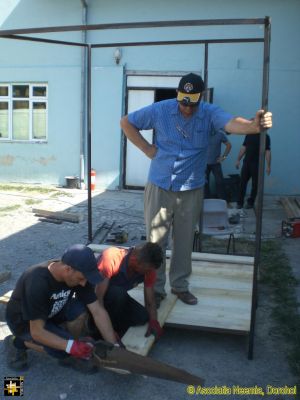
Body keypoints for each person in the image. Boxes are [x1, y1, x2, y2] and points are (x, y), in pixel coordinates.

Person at [120, 73, 272, 306]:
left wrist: (253, 125)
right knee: (155, 242)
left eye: (192, 103)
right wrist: (147, 149)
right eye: (183, 102)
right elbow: (126, 122)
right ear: (178, 96)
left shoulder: (209, 113)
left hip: (191, 188)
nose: (186, 108)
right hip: (160, 184)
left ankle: (180, 286)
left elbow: (231, 122)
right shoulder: (161, 110)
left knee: (184, 240)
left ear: (200, 98)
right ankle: (157, 290)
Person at [5, 244, 118, 372]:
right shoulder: (37, 281)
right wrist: (70, 346)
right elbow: (37, 331)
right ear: (68, 269)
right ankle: (17, 342)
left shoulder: (78, 272)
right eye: (80, 279)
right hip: (24, 321)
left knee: (79, 310)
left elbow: (97, 310)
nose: (83, 283)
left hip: (51, 311)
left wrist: (114, 345)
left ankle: (67, 347)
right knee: (60, 349)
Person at [95, 242, 164, 340]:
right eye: (147, 270)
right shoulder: (111, 258)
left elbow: (150, 300)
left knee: (143, 316)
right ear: (136, 261)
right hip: (94, 300)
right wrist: (108, 331)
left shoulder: (148, 268)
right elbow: (98, 298)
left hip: (116, 300)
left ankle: (115, 326)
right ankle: (97, 330)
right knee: (119, 294)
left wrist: (154, 321)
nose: (149, 272)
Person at [235, 133, 271, 209]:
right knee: (242, 183)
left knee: (255, 184)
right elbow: (244, 147)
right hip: (246, 163)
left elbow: (267, 151)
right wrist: (238, 159)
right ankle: (239, 203)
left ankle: (250, 202)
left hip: (257, 164)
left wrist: (268, 165)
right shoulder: (249, 135)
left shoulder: (265, 137)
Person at [205, 127, 232, 200]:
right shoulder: (203, 134)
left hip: (215, 163)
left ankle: (222, 201)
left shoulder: (220, 134)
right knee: (204, 183)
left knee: (220, 182)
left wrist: (223, 157)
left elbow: (229, 145)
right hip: (204, 164)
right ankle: (206, 201)